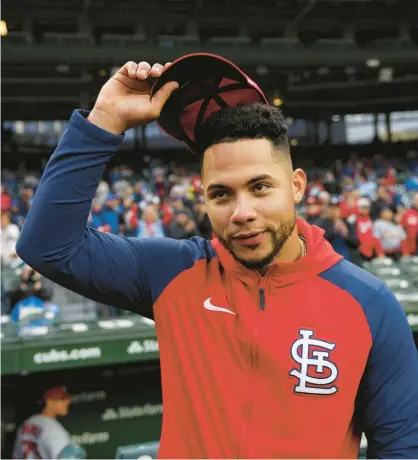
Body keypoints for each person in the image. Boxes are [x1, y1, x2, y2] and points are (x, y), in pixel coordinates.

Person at [16, 60, 418, 459]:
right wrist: (104, 120)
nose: (241, 212)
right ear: (204, 197)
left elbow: (401, 448)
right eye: (221, 194)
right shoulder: (173, 272)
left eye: (260, 187)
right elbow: (48, 246)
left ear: (297, 186)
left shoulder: (370, 303)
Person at [12, 386, 85, 459]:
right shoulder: (54, 430)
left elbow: (16, 457)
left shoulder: (26, 424)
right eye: (62, 398)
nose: (68, 401)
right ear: (48, 401)